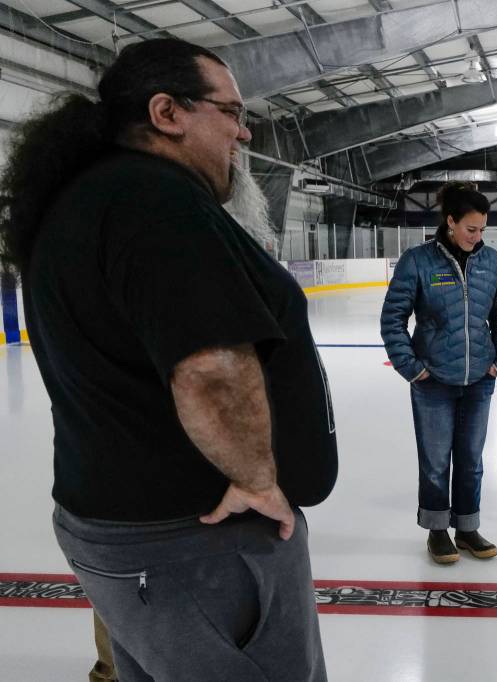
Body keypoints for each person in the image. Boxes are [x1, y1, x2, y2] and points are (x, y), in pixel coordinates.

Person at [0, 39, 338, 680]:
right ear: (167, 112)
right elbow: (210, 369)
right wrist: (258, 481)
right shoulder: (156, 203)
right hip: (195, 543)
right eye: (231, 112)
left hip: (130, 536)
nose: (242, 133)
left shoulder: (89, 199)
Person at [381, 182, 497, 564]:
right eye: (471, 229)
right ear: (450, 221)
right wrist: (412, 368)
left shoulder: (490, 262)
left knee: (471, 459)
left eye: (483, 230)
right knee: (436, 460)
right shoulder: (418, 261)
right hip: (434, 382)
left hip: (479, 380)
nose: (477, 237)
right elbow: (393, 319)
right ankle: (438, 531)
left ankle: (468, 527)